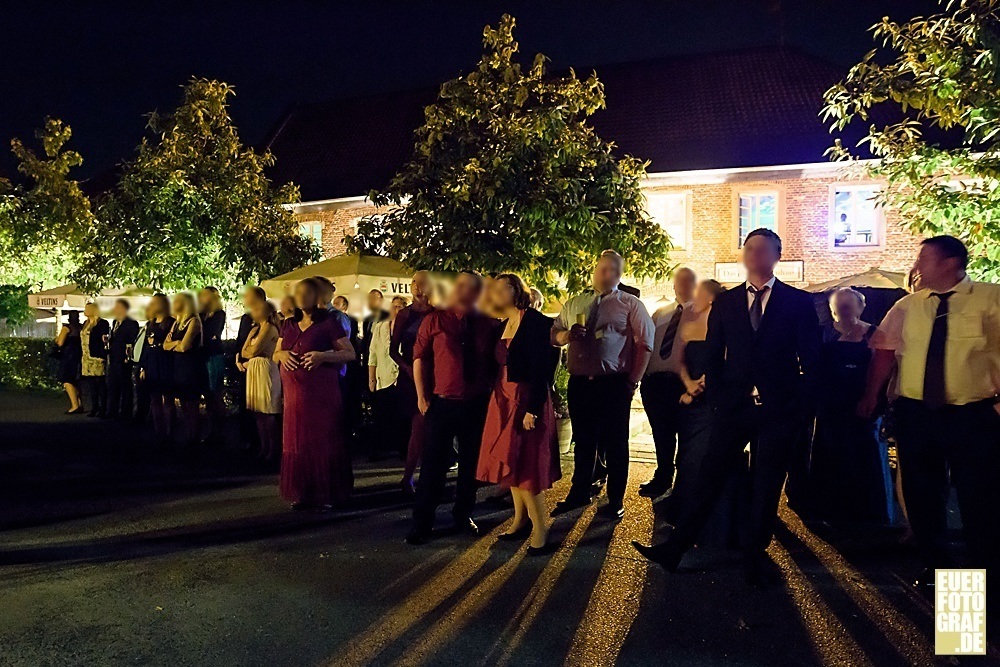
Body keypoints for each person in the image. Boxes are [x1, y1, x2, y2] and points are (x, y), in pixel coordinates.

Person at [633, 229, 821, 584]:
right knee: (709, 475)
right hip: (734, 406)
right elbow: (715, 357)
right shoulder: (728, 302)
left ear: (776, 255)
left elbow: (812, 359)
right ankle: (675, 548)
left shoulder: (798, 302)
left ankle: (753, 554)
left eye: (762, 248)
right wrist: (718, 399)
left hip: (778, 409)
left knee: (766, 484)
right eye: (749, 247)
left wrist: (802, 410)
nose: (754, 253)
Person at [859, 235, 1000, 589]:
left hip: (974, 414)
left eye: (924, 258)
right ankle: (940, 570)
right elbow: (885, 352)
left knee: (977, 495)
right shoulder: (908, 306)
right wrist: (870, 396)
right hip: (918, 414)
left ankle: (984, 575)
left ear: (950, 263)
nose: (917, 266)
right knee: (923, 494)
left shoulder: (991, 298)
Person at [550, 250, 654, 521]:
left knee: (616, 441)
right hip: (580, 382)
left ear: (620, 274)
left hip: (613, 383)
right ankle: (579, 491)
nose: (608, 274)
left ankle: (615, 498)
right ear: (595, 270)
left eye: (615, 270)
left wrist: (633, 381)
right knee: (583, 440)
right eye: (604, 268)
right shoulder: (575, 302)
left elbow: (645, 344)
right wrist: (567, 335)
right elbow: (554, 333)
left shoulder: (630, 304)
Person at [406, 271, 499, 544]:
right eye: (459, 285)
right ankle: (422, 523)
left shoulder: (488, 324)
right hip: (442, 403)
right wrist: (422, 397)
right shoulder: (434, 320)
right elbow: (419, 359)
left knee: (470, 465)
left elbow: (495, 363)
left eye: (470, 287)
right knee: (433, 465)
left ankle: (463, 514)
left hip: (476, 403)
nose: (462, 290)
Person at [477, 274, 560, 553]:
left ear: (518, 290)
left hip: (525, 399)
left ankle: (541, 528)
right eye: (496, 288)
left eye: (505, 287)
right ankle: (520, 520)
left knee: (526, 465)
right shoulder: (500, 325)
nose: (499, 292)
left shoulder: (535, 322)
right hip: (502, 399)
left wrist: (533, 409)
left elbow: (543, 368)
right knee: (510, 462)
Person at [273, 277, 357, 510]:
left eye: (306, 292)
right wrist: (281, 356)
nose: (301, 296)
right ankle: (302, 492)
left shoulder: (329, 323)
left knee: (321, 440)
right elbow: (276, 352)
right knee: (297, 441)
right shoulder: (288, 324)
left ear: (316, 296)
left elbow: (349, 353)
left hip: (320, 393)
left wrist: (322, 356)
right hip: (294, 394)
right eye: (298, 292)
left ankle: (325, 493)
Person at [808, 288, 889, 523]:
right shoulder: (822, 333)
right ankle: (832, 512)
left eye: (849, 304)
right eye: (840, 304)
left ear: (861, 307)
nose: (844, 308)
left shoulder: (873, 334)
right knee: (831, 455)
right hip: (830, 406)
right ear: (832, 309)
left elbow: (882, 367)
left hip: (862, 403)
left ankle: (868, 513)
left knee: (864, 455)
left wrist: (872, 397)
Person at [658, 279, 726, 525]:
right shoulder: (689, 323)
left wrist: (702, 385)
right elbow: (679, 359)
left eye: (699, 293)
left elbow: (724, 360)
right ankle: (683, 511)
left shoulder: (723, 324)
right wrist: (688, 384)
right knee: (686, 456)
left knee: (702, 458)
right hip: (690, 399)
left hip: (711, 400)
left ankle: (703, 518)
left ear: (710, 298)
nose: (694, 296)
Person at [638, 267, 696, 499]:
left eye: (688, 280)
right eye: (679, 280)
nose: (682, 284)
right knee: (661, 434)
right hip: (654, 383)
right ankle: (662, 476)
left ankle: (683, 484)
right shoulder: (660, 313)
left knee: (685, 435)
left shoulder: (702, 313)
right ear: (673, 285)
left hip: (681, 384)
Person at [390, 271, 437, 494]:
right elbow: (393, 350)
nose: (417, 287)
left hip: (435, 373)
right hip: (411, 375)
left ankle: (425, 475)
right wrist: (407, 367)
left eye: (422, 283)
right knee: (418, 426)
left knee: (432, 428)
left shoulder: (438, 313)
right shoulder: (404, 315)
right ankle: (408, 476)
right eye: (414, 283)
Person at [241, 299, 282, 462]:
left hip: (265, 368)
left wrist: (250, 351)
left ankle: (274, 449)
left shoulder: (270, 328)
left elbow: (252, 351)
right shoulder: (255, 330)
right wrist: (250, 349)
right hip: (254, 368)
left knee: (267, 411)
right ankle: (264, 446)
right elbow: (244, 352)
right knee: (258, 412)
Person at [368, 296, 407, 458]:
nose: (396, 310)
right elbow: (373, 354)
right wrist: (371, 378)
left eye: (400, 307)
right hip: (383, 377)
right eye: (394, 306)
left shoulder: (408, 328)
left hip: (402, 377)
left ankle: (403, 449)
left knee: (402, 416)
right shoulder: (379, 327)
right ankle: (378, 449)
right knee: (381, 415)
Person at [164, 293, 203, 449]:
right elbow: (165, 346)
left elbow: (184, 346)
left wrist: (177, 344)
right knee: (184, 403)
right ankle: (188, 435)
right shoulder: (176, 323)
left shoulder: (194, 322)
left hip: (191, 367)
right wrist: (177, 342)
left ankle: (194, 437)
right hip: (179, 365)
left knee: (192, 404)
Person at [236, 287, 268, 451]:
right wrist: (238, 359)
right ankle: (248, 438)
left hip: (260, 367)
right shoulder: (245, 318)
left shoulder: (267, 319)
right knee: (247, 404)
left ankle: (264, 443)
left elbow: (260, 347)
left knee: (262, 407)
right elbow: (241, 343)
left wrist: (248, 354)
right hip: (244, 367)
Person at [141, 294, 175, 441]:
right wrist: (143, 367)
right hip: (151, 362)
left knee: (168, 398)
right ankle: (158, 430)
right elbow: (145, 347)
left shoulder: (171, 322)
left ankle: (170, 431)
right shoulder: (151, 323)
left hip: (165, 362)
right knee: (154, 398)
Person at [199, 287, 227, 444]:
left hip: (213, 356)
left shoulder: (218, 315)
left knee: (215, 393)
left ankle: (220, 430)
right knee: (208, 394)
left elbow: (212, 333)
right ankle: (211, 430)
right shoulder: (201, 314)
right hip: (203, 356)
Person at [105, 298, 140, 420]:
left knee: (125, 385)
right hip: (114, 357)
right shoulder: (115, 322)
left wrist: (127, 356)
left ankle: (126, 411)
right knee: (113, 384)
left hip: (123, 359)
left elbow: (131, 341)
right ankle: (112, 410)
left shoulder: (131, 323)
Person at [81, 302, 110, 417]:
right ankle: (94, 407)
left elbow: (104, 340)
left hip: (97, 356)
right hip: (86, 356)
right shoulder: (85, 323)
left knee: (100, 382)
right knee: (91, 383)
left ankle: (103, 408)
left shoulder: (102, 323)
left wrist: (102, 354)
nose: (85, 310)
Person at [55, 310, 83, 414]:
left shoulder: (67, 328)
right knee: (76, 381)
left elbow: (60, 343)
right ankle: (80, 404)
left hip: (68, 357)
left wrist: (57, 340)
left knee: (67, 380)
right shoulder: (81, 328)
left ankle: (74, 405)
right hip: (78, 356)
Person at [131, 306, 150, 425]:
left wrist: (144, 365)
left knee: (144, 392)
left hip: (144, 363)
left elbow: (146, 348)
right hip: (138, 362)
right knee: (139, 391)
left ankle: (142, 416)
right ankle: (140, 414)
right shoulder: (147, 325)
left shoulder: (152, 327)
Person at [361, 289, 389, 368]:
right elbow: (366, 336)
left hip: (381, 355)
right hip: (368, 353)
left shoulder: (387, 316)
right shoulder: (367, 317)